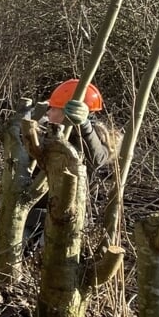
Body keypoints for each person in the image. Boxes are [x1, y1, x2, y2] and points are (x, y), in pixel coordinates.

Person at [24, 79, 120, 244]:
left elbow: (97, 158)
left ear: (66, 114)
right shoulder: (47, 132)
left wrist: (84, 125)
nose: (49, 113)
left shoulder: (90, 140)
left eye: (53, 108)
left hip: (67, 219)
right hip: (33, 213)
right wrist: (30, 117)